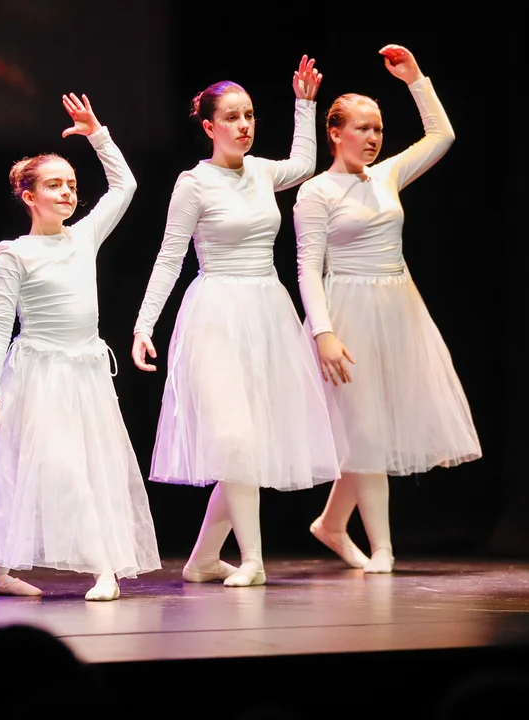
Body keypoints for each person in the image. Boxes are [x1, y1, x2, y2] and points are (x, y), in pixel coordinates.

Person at [131, 56, 337, 588]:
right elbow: (170, 257)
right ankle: (253, 560)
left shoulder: (263, 171)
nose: (244, 125)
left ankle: (203, 559)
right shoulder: (193, 183)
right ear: (209, 127)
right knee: (235, 441)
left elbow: (304, 162)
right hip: (217, 314)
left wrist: (305, 104)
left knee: (248, 445)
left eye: (249, 116)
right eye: (232, 117)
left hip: (266, 311)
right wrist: (143, 325)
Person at [294, 44, 480, 573]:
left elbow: (442, 136)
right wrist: (323, 333)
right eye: (362, 128)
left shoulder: (388, 174)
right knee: (366, 432)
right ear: (335, 133)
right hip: (347, 312)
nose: (374, 137)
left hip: (398, 308)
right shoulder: (316, 192)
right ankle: (382, 548)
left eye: (378, 128)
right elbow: (308, 269)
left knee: (371, 429)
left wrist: (416, 80)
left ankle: (332, 524)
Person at [0, 93, 161, 601]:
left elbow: (125, 185)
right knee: (47, 470)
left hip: (86, 373)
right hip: (38, 375)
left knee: (92, 469)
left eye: (72, 185)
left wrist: (98, 135)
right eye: (54, 185)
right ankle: (102, 569)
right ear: (28, 195)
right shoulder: (14, 253)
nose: (67, 193)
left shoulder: (84, 236)